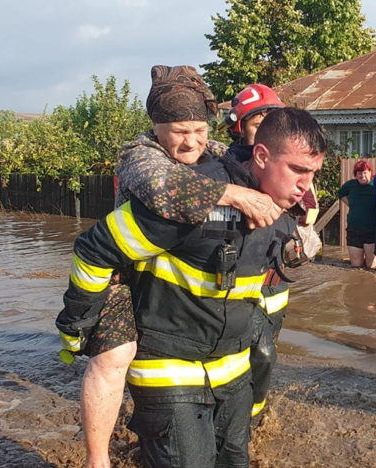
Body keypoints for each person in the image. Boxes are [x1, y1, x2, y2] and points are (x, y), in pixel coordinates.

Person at [58, 107, 327, 468]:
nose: (306, 187)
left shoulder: (282, 206)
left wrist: (296, 250)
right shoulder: (192, 199)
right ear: (262, 156)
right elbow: (95, 249)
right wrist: (79, 323)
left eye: (313, 173)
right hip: (169, 370)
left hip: (231, 370)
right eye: (298, 170)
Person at [223, 84, 320, 423]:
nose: (264, 124)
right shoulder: (224, 167)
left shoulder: (294, 167)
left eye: (270, 117)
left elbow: (308, 211)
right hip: (236, 280)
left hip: (273, 280)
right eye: (256, 120)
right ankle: (237, 416)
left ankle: (253, 411)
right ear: (241, 127)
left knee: (265, 353)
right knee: (245, 352)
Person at [337, 159, 376, 269]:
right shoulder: (350, 185)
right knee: (356, 266)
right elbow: (341, 194)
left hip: (372, 229)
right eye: (359, 173)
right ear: (356, 174)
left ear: (370, 172)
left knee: (372, 266)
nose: (362, 175)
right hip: (354, 229)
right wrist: (351, 204)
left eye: (365, 172)